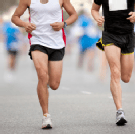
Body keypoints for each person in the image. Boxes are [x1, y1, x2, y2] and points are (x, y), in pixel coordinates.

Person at [11, 0, 78, 129]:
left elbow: (74, 14)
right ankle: (46, 116)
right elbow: (14, 17)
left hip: (57, 43)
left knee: (54, 84)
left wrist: (64, 24)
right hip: (37, 40)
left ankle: (45, 84)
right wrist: (25, 24)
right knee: (42, 76)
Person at [91, 0, 135, 125]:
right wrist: (97, 18)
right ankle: (119, 111)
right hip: (110, 35)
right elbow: (94, 9)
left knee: (126, 77)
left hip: (128, 36)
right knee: (115, 72)